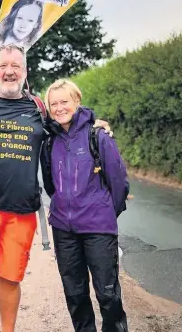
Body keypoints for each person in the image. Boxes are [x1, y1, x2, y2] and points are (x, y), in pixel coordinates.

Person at [0, 44, 112, 332]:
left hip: (21, 213)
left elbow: (67, 126)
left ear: (25, 71)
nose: (9, 71)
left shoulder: (37, 108)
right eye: (3, 66)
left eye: (15, 66)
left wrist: (93, 124)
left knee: (10, 279)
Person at [40, 79, 129, 332]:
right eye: (53, 104)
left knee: (107, 294)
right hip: (63, 230)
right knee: (75, 294)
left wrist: (105, 212)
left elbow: (119, 183)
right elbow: (50, 185)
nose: (59, 108)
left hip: (98, 227)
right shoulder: (49, 141)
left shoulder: (97, 135)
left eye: (64, 101)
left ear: (77, 101)